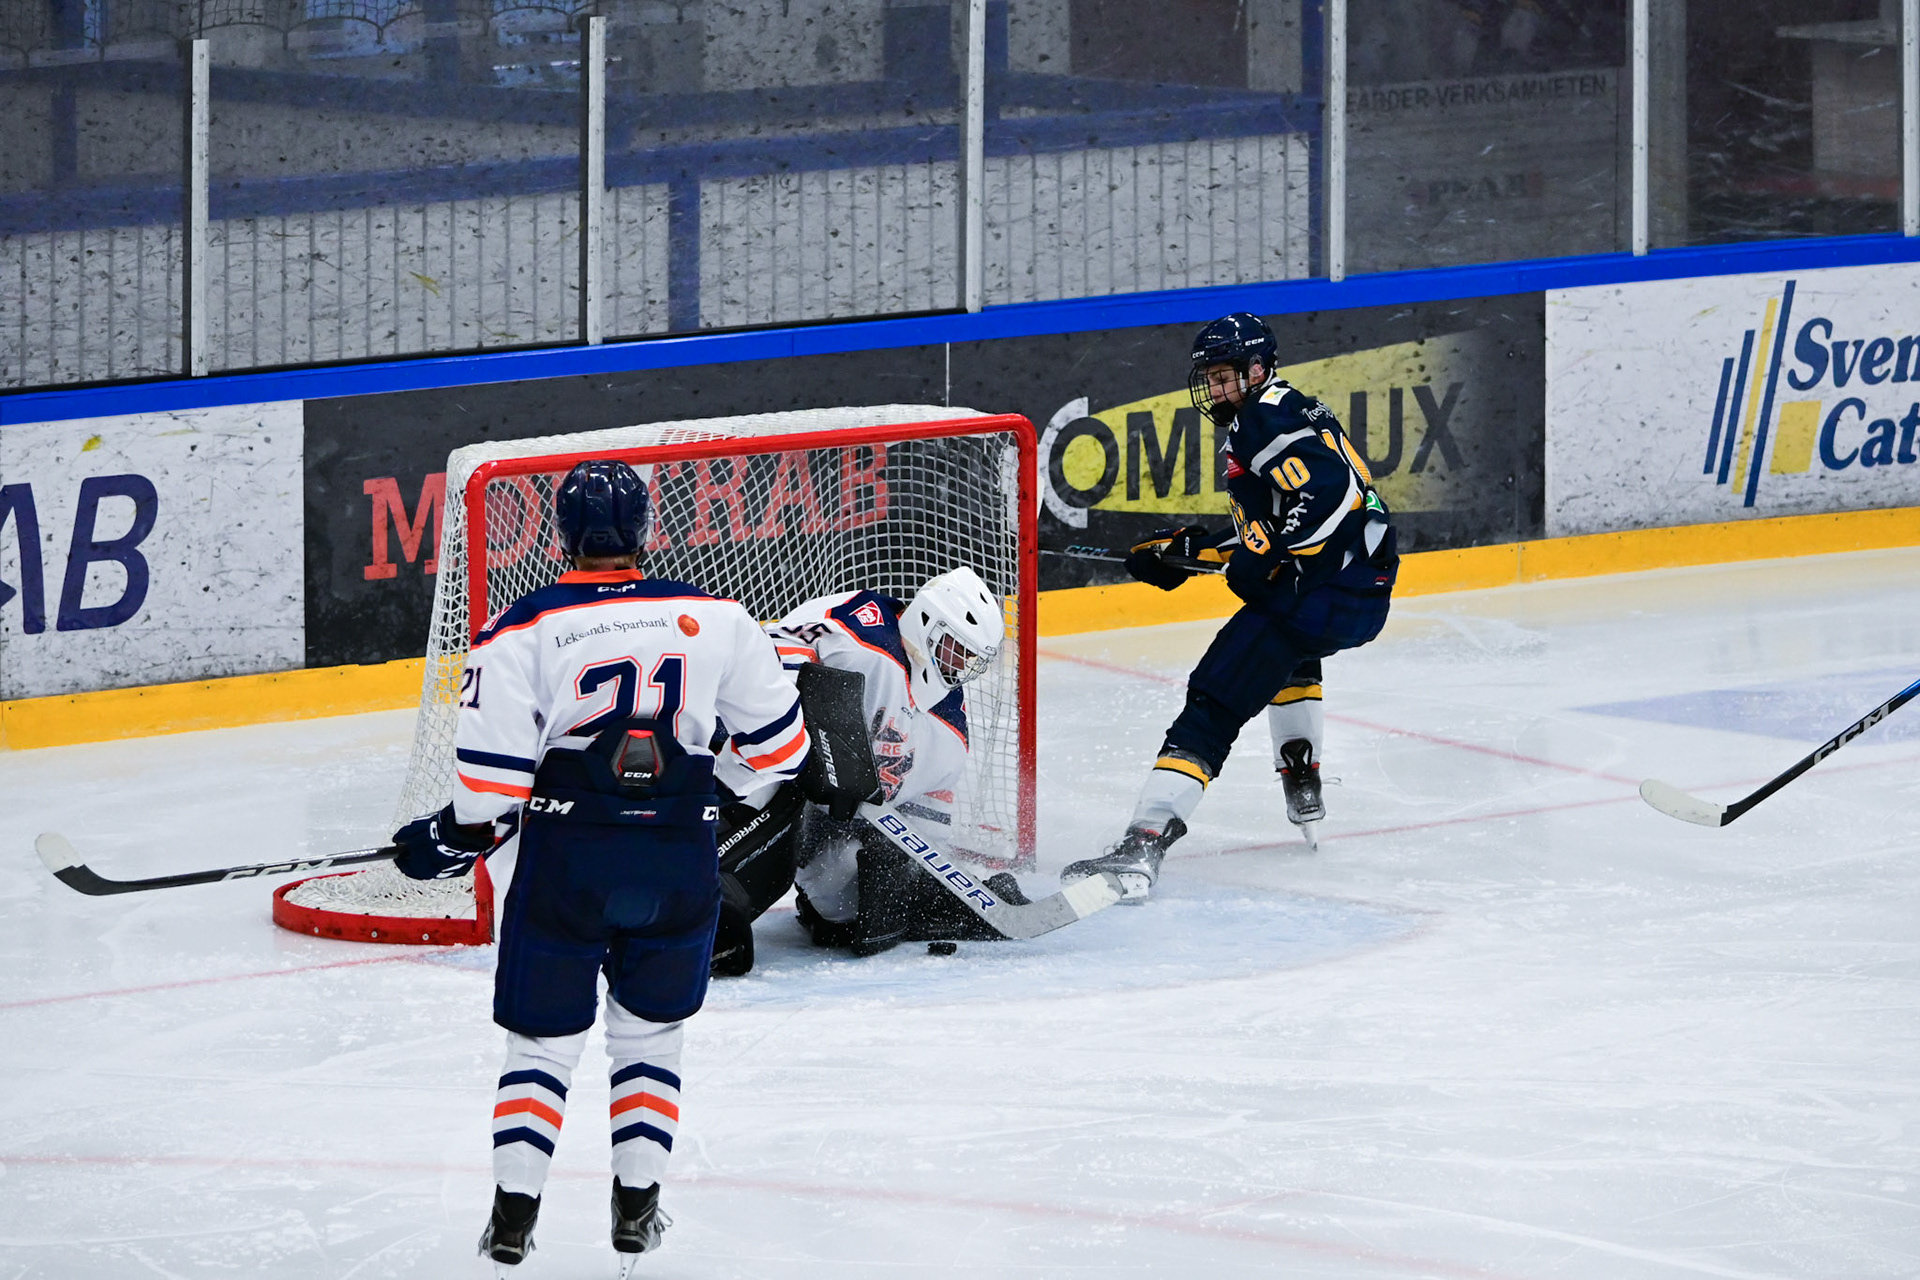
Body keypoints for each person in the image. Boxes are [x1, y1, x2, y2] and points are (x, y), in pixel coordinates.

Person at [391, 459, 811, 1274]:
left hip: (565, 865)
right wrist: (698, 791)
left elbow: (487, 796)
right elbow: (782, 752)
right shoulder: (720, 617)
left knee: (542, 1047)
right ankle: (637, 1209)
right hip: (678, 865)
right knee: (649, 1036)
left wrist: (440, 841)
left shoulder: (521, 628)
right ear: (647, 531)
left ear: (561, 535)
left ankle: (512, 1220)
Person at [1061, 312, 1397, 900]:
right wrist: (1189, 553)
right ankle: (1301, 772)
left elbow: (1331, 493)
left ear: (1258, 368)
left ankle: (1144, 842)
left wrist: (1272, 555)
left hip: (1318, 593)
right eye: (1210, 379)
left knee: (1212, 705)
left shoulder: (1261, 417)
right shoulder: (1289, 407)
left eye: (1225, 377)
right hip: (1361, 594)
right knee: (1290, 652)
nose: (1216, 390)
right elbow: (1284, 518)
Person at [707, 565, 1011, 969]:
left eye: (972, 658)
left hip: (834, 824)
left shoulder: (949, 725)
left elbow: (927, 817)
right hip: (762, 768)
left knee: (843, 913)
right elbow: (769, 656)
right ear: (927, 622)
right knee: (771, 777)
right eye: (958, 648)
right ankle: (696, 892)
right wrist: (806, 732)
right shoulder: (862, 625)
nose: (962, 665)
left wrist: (920, 880)